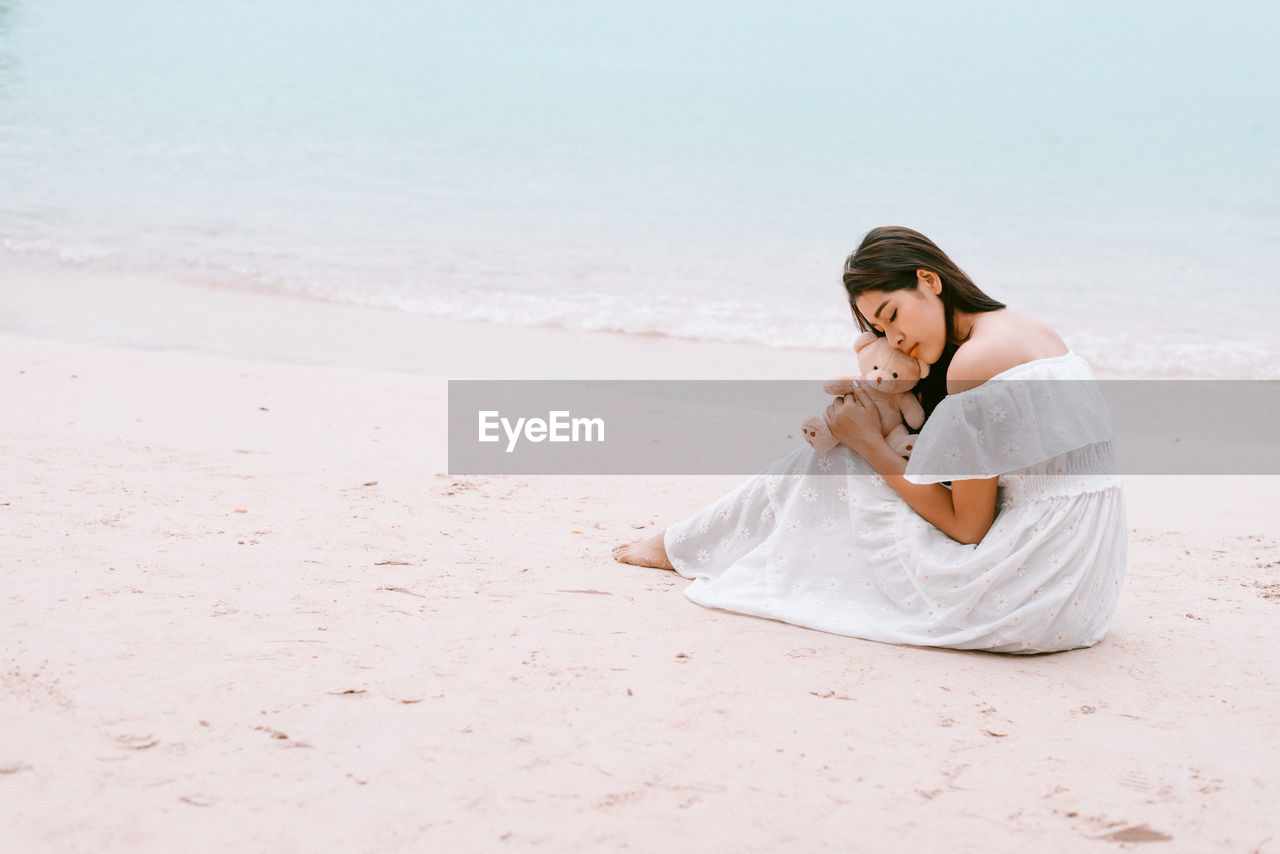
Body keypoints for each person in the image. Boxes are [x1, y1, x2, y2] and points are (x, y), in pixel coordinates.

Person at [613, 226, 1127, 653]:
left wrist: (870, 445)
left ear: (929, 280)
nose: (895, 340)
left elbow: (969, 528)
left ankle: (684, 545)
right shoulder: (1034, 331)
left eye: (894, 315)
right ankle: (692, 541)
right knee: (852, 452)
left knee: (838, 459)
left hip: (1019, 594)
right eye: (881, 331)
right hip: (1083, 590)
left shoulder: (973, 364)